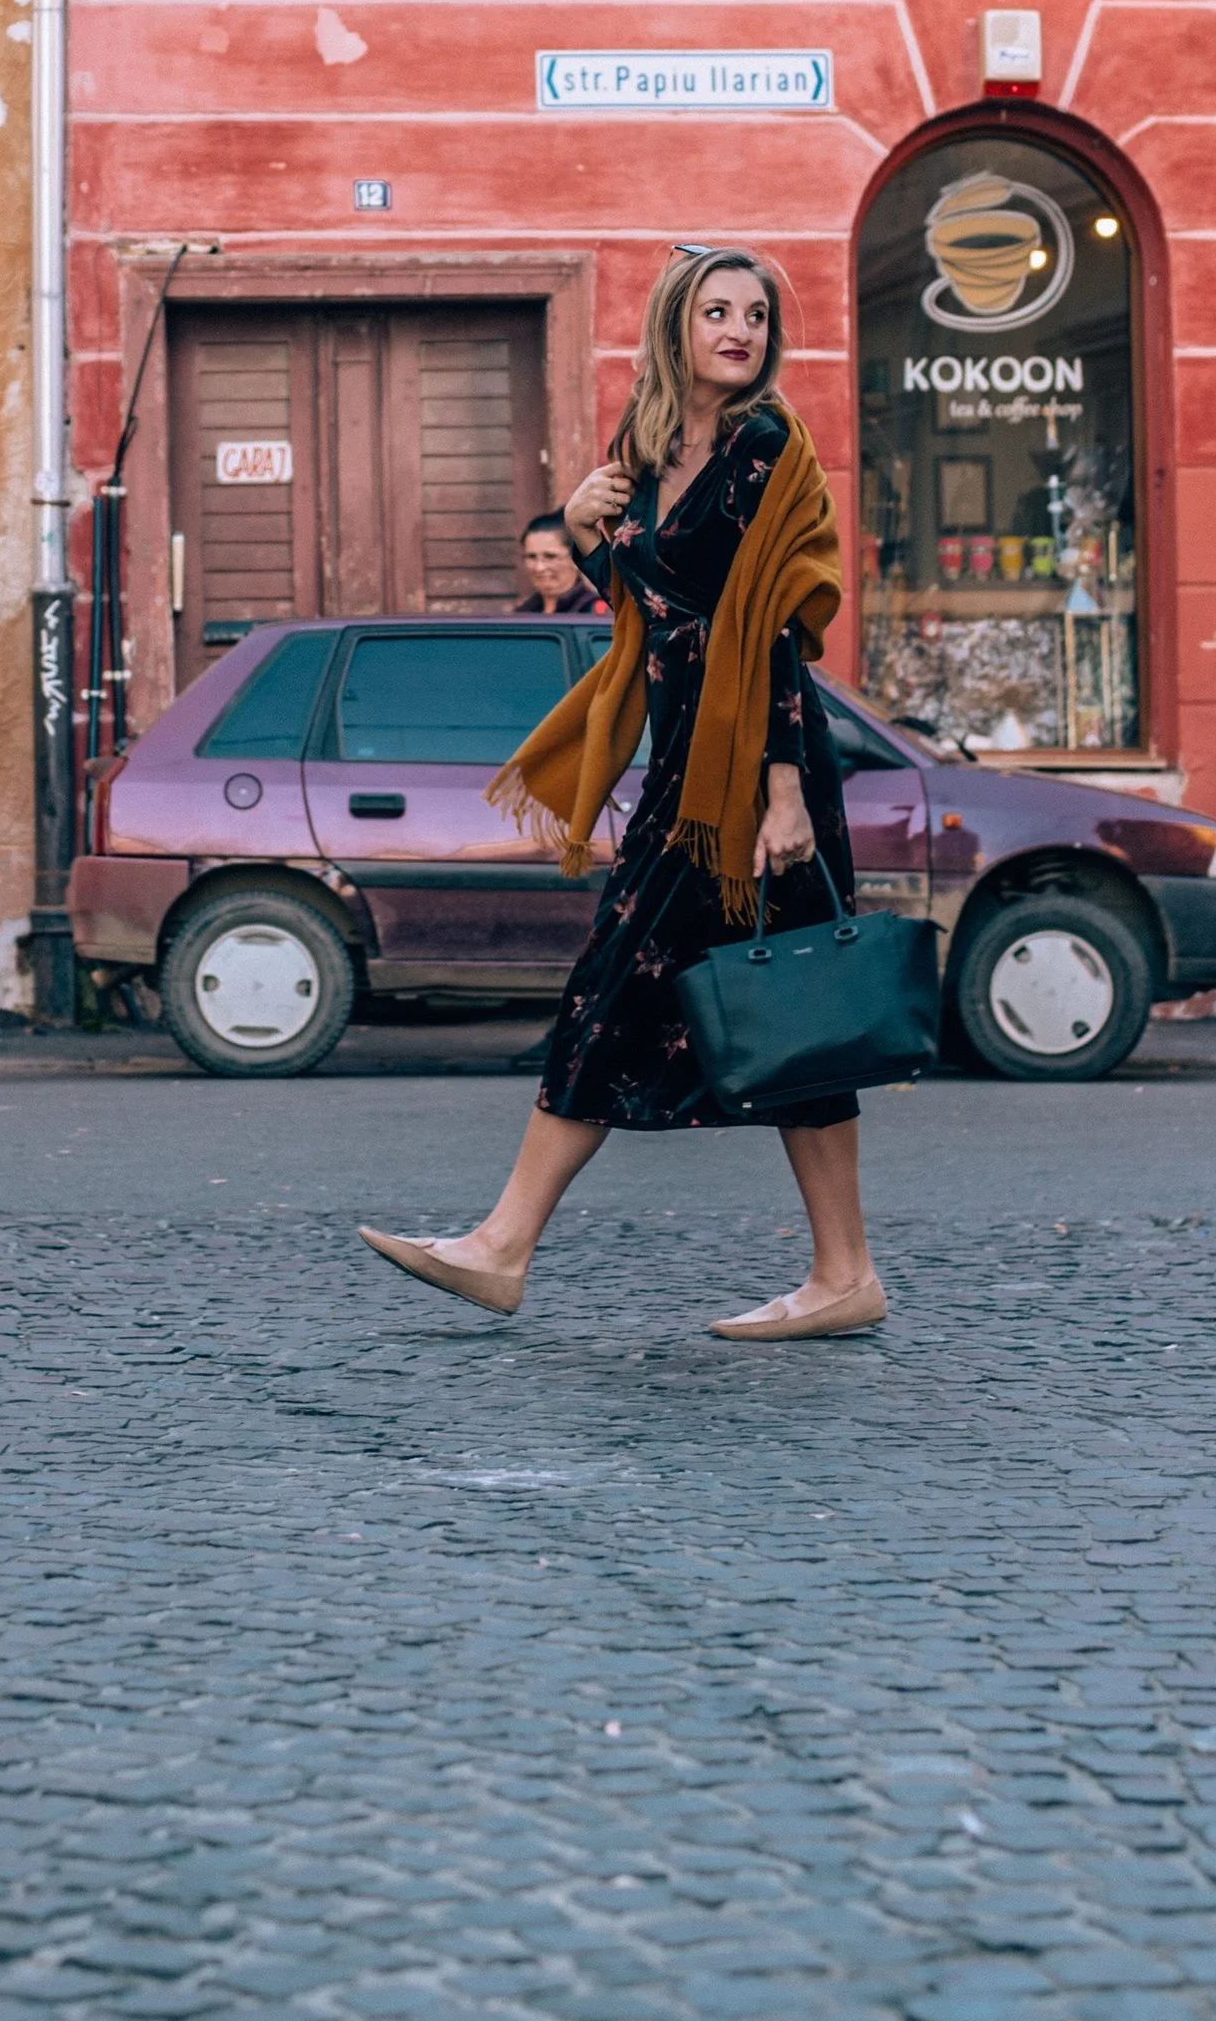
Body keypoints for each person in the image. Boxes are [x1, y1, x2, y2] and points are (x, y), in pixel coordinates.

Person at [359, 245, 884, 1343]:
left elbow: (770, 625)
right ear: (674, 325)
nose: (739, 330)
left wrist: (784, 790)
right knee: (677, 999)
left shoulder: (763, 444)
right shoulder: (645, 449)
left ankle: (514, 1247)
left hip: (755, 775)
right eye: (716, 310)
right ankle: (829, 1272)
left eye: (755, 314)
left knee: (783, 1013)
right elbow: (647, 607)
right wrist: (584, 525)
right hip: (684, 771)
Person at [513, 510, 607, 619]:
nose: (539, 567)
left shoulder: (594, 612)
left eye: (550, 556)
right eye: (532, 557)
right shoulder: (524, 612)